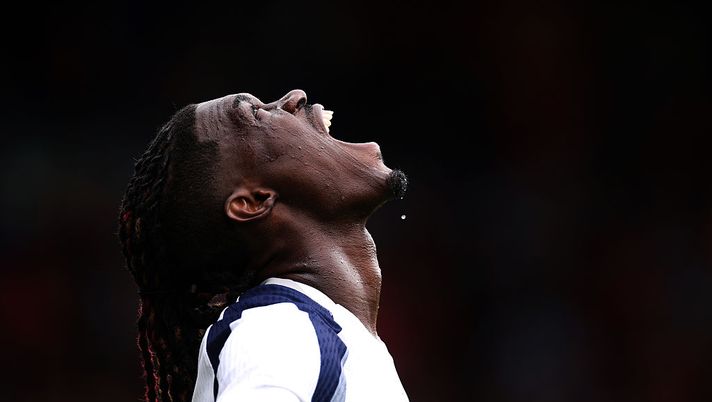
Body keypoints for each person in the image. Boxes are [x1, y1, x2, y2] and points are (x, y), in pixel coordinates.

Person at [117, 89, 410, 401]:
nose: (295, 97)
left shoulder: (312, 333)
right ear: (254, 201)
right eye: (256, 115)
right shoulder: (278, 332)